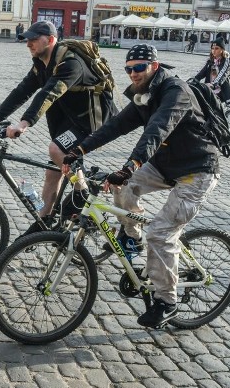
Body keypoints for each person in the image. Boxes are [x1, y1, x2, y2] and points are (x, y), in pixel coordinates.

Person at [61, 44, 220, 329]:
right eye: (128, 69)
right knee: (119, 186)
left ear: (154, 67)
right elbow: (115, 126)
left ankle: (167, 302)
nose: (133, 74)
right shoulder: (143, 95)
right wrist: (78, 150)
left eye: (138, 68)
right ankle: (132, 238)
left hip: (197, 171)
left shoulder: (176, 92)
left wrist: (131, 166)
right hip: (166, 165)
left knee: (160, 234)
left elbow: (158, 128)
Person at [0, 20, 116, 228]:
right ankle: (44, 221)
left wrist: (22, 124)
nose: (28, 44)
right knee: (52, 172)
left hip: (92, 122)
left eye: (33, 40)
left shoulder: (71, 63)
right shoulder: (41, 63)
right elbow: (23, 90)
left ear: (50, 40)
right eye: (26, 40)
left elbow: (48, 93)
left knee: (56, 149)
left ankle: (82, 194)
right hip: (70, 121)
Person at [193, 36, 230, 104]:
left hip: (223, 88)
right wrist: (195, 79)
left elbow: (223, 73)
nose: (214, 50)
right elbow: (203, 71)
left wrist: (214, 84)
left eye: (216, 48)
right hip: (211, 87)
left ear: (222, 49)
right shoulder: (211, 60)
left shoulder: (226, 59)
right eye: (212, 48)